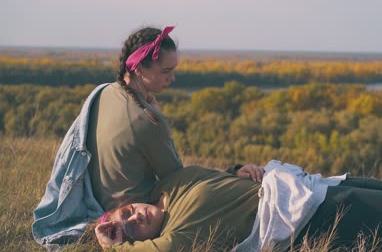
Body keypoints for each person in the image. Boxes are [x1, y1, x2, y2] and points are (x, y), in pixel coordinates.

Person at [32, 26, 263, 249]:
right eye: (166, 71)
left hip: (107, 207)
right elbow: (178, 180)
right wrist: (229, 176)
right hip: (141, 216)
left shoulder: (105, 92)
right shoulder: (147, 121)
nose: (172, 78)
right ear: (140, 69)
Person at [93, 162, 382, 251]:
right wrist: (108, 238)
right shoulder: (176, 239)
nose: (136, 217)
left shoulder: (171, 183)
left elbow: (219, 178)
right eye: (132, 229)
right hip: (308, 214)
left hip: (309, 185)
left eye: (127, 213)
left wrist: (238, 168)